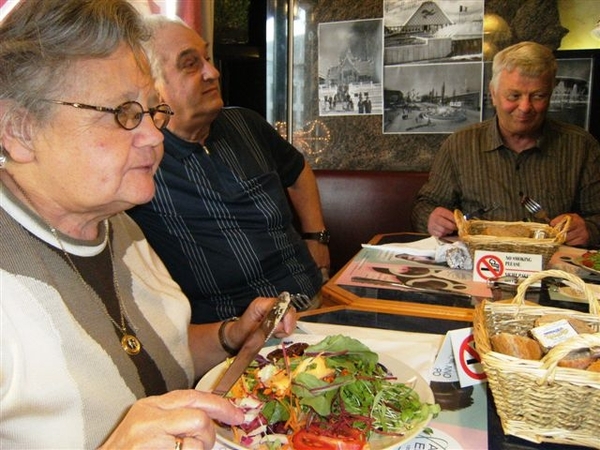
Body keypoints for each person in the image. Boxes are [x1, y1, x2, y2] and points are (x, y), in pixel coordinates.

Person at [0, 1, 296, 448]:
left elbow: (155, 352)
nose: (155, 136)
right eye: (123, 112)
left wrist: (229, 336)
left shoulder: (120, 228)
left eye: (153, 110)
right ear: (18, 129)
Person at [128, 15, 330, 324]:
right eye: (191, 64)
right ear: (152, 86)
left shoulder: (245, 123)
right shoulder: (140, 158)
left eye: (207, 58)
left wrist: (316, 237)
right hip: (232, 334)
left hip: (315, 299)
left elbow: (297, 169)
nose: (213, 72)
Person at [411, 41, 600, 248]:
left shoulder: (581, 147)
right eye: (514, 96)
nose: (525, 107)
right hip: (481, 269)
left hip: (553, 272)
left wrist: (589, 229)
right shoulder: (460, 145)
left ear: (550, 94)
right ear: (493, 94)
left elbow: (596, 216)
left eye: (538, 96)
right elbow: (425, 206)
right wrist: (431, 219)